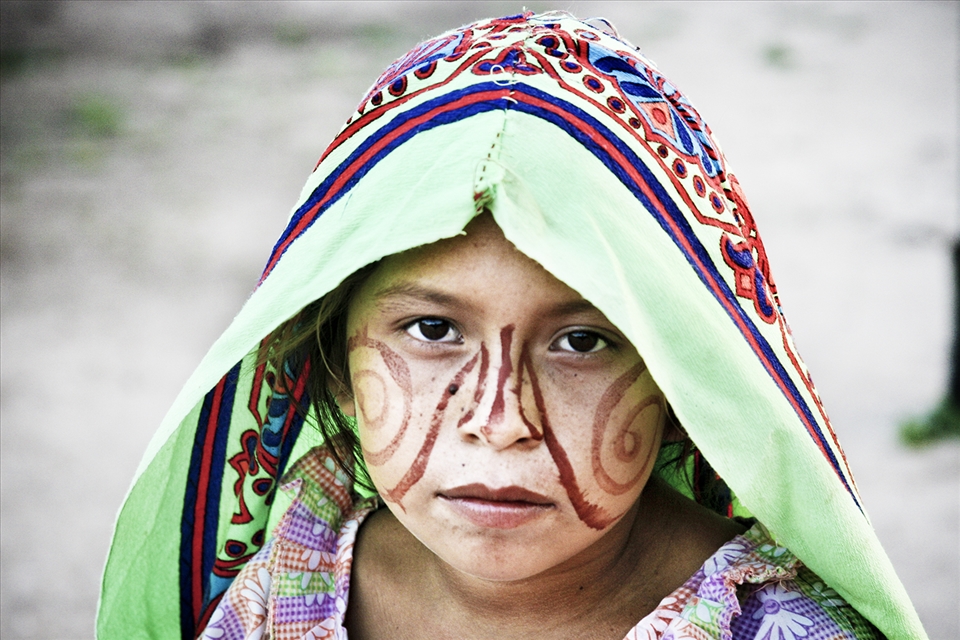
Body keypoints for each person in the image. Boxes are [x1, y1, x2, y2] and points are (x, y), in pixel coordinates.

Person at [98, 12, 926, 639]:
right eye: (430, 330)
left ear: (683, 383)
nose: (499, 422)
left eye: (582, 340)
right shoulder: (288, 585)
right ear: (335, 370)